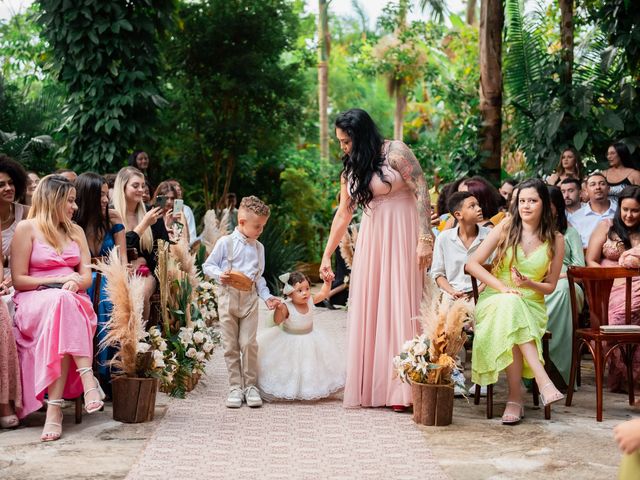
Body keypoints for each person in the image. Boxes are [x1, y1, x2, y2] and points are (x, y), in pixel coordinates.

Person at [319, 108, 432, 410]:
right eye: (340, 142)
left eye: (346, 141)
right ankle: (375, 385)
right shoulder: (351, 168)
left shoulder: (396, 152)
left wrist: (425, 236)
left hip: (403, 234)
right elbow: (344, 213)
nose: (343, 147)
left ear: (361, 135)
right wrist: (327, 255)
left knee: (400, 301)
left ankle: (403, 386)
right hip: (373, 239)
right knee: (374, 303)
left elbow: (421, 189)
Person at [466, 178, 565, 425]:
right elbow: (472, 264)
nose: (526, 206)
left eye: (533, 201)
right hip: (496, 298)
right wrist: (503, 288)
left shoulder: (556, 239)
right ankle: (543, 382)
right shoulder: (507, 227)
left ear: (544, 204)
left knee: (513, 312)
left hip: (532, 303)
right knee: (509, 306)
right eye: (522, 201)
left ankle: (515, 398)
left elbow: (551, 286)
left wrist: (529, 284)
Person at [11, 175, 102, 441]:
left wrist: (74, 284)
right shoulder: (26, 229)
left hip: (73, 300)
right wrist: (59, 280)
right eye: (70, 201)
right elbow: (19, 280)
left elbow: (86, 277)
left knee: (63, 306)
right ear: (53, 200)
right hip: (34, 300)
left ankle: (54, 411)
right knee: (60, 303)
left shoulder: (76, 232)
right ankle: (88, 380)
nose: (75, 207)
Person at [202, 196, 281, 409]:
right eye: (257, 226)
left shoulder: (259, 248)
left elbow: (259, 278)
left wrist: (267, 297)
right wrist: (220, 275)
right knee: (230, 345)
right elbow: (207, 266)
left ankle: (251, 386)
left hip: (249, 300)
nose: (260, 231)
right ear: (242, 222)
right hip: (227, 298)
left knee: (248, 343)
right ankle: (235, 387)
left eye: (263, 226)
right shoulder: (225, 243)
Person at [73, 172, 127, 395]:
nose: (106, 199)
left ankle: (108, 373)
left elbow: (122, 258)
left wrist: (121, 278)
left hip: (109, 276)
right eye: (101, 195)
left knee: (107, 299)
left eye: (107, 194)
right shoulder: (74, 222)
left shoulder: (113, 218)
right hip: (82, 276)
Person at [257, 271, 345, 400]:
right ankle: (290, 388)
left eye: (307, 289)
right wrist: (279, 309)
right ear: (290, 293)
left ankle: (310, 389)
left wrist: (327, 283)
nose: (305, 293)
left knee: (310, 365)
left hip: (310, 338)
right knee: (290, 367)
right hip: (290, 341)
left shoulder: (310, 300)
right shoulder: (287, 306)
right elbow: (277, 321)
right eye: (299, 290)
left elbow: (322, 294)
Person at [585, 185, 640, 393]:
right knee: (616, 325)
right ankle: (623, 377)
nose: (629, 215)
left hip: (637, 289)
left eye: (635, 210)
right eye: (625, 209)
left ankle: (635, 379)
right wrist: (605, 277)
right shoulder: (607, 226)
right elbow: (590, 259)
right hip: (609, 290)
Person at [112, 167, 168, 321]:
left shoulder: (151, 212)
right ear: (122, 188)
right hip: (118, 272)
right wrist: (143, 226)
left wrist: (144, 261)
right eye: (135, 186)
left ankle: (141, 338)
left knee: (140, 292)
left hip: (144, 272)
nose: (141, 190)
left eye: (143, 186)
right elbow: (118, 247)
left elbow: (163, 246)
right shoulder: (112, 214)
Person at [544, 186, 585, 387]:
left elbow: (580, 270)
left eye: (547, 204)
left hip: (567, 283)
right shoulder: (530, 232)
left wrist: (556, 276)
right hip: (536, 281)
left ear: (557, 206)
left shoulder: (570, 233)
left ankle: (559, 368)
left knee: (561, 291)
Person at [431, 191, 489, 299]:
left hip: (484, 293)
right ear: (458, 214)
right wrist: (452, 292)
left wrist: (476, 293)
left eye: (478, 204)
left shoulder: (489, 235)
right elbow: (438, 274)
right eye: (472, 206)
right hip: (451, 296)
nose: (479, 208)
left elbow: (495, 270)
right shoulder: (443, 238)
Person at [570, 171, 617, 248]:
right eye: (593, 184)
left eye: (602, 183)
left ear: (608, 189)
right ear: (586, 191)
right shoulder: (575, 218)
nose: (598, 187)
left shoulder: (620, 212)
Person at [167, 179, 197, 246]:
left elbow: (191, 237)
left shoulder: (186, 210)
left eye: (179, 188)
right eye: (174, 187)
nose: (178, 190)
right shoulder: (159, 211)